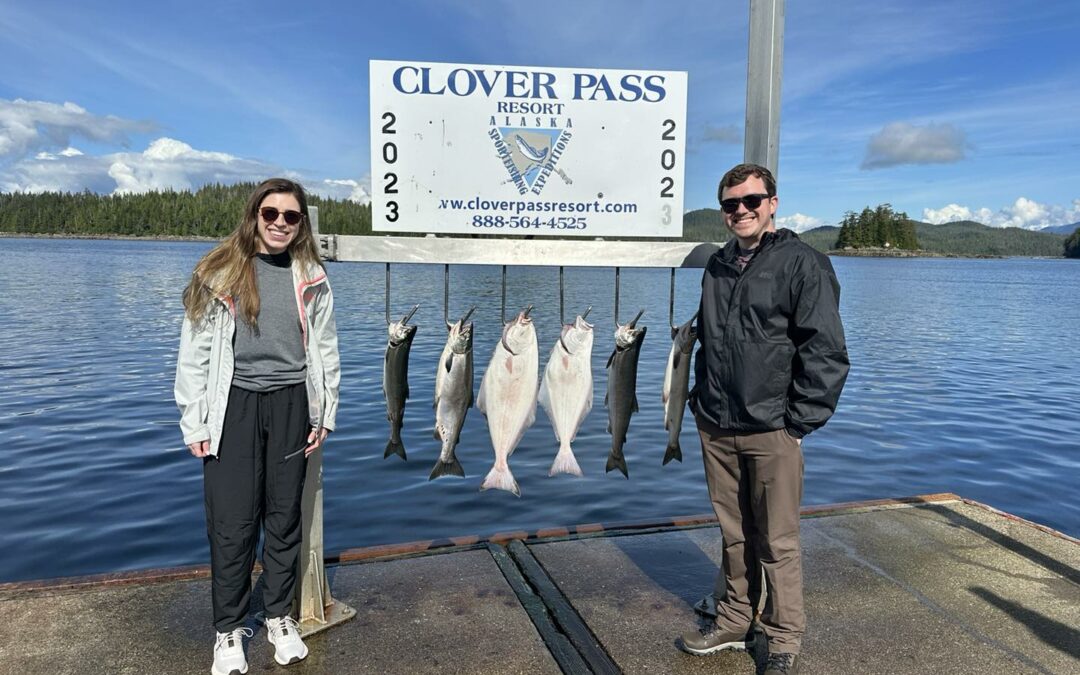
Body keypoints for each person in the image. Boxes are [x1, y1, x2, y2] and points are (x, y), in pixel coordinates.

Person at [680, 163, 849, 675]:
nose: (741, 211)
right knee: (733, 534)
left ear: (772, 202)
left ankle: (782, 636)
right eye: (731, 204)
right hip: (717, 423)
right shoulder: (716, 265)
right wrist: (698, 401)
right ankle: (734, 619)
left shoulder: (804, 264)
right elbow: (711, 340)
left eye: (751, 200)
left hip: (773, 428)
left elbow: (826, 352)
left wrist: (798, 423)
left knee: (777, 540)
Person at [175, 178, 340, 675]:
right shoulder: (220, 271)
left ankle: (278, 616)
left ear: (302, 223)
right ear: (255, 215)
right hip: (234, 406)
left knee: (285, 519)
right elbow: (195, 353)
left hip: (292, 405)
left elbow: (325, 350)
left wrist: (325, 411)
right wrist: (194, 419)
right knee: (232, 524)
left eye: (291, 217)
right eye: (271, 214)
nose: (280, 224)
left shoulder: (312, 274)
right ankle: (229, 629)